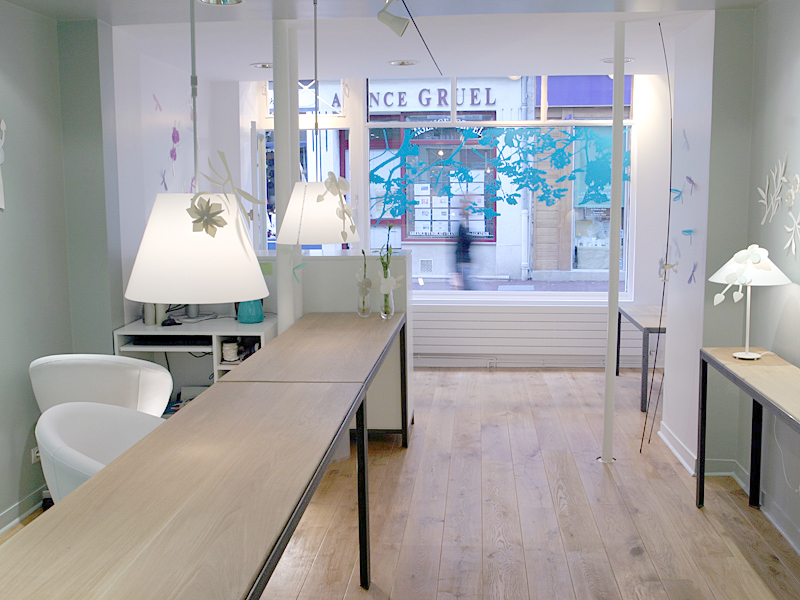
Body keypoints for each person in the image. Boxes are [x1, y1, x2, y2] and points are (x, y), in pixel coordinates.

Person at [455, 220, 473, 290]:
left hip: (461, 261)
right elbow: (469, 241)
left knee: (465, 281)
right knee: (466, 281)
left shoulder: (460, 238)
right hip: (464, 261)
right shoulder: (464, 235)